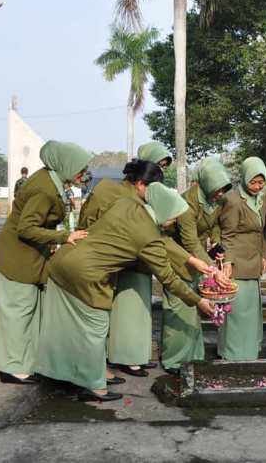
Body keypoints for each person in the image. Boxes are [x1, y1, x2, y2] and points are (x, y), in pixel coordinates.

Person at [36, 183, 215, 402]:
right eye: (174, 217)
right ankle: (94, 386)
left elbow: (158, 239)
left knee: (65, 326)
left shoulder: (127, 204)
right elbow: (168, 278)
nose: (175, 222)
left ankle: (59, 373)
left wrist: (193, 261)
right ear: (164, 210)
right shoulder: (148, 238)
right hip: (85, 273)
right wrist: (198, 301)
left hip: (64, 259)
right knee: (96, 327)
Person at [77, 160, 214, 376]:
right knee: (111, 315)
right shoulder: (118, 196)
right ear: (141, 184)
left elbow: (157, 238)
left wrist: (191, 260)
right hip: (103, 259)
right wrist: (197, 296)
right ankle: (109, 364)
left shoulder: (138, 201)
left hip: (129, 259)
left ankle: (127, 358)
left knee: (132, 313)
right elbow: (88, 222)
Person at [0, 141, 91, 384]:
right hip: (17, 257)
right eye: (79, 169)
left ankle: (28, 362)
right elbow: (27, 228)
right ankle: (12, 367)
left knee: (31, 312)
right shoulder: (44, 189)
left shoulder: (53, 181)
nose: (82, 174)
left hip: (31, 256)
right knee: (18, 313)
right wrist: (63, 237)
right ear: (66, 165)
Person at [161, 158, 233, 374]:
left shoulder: (218, 202)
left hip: (199, 258)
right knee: (177, 308)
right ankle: (174, 360)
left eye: (224, 188)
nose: (220, 193)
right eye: (217, 188)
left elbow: (216, 227)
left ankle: (193, 355)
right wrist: (213, 269)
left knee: (194, 308)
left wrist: (217, 245)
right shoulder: (187, 203)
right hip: (179, 257)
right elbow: (190, 241)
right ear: (206, 182)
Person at [217, 156, 266, 360]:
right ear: (244, 178)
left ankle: (249, 349)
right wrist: (228, 262)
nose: (257, 186)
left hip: (254, 260)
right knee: (236, 309)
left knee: (251, 309)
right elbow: (226, 235)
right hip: (237, 263)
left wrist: (264, 255)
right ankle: (232, 351)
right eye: (253, 182)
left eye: (260, 182)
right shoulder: (232, 199)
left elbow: (264, 230)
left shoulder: (264, 198)